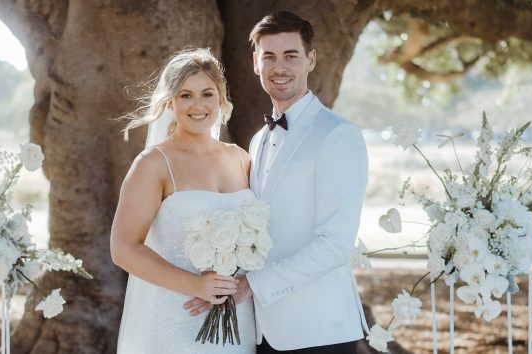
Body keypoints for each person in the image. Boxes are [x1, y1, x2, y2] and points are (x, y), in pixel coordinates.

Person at [184, 11, 369, 354]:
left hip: (320, 332)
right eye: (269, 56)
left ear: (310, 59)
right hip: (262, 332)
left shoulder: (338, 135)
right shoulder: (257, 141)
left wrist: (251, 285)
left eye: (291, 55)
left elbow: (335, 244)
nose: (279, 67)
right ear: (256, 63)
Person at [110, 48, 256, 354]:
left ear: (221, 99)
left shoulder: (239, 158)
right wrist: (196, 285)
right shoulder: (154, 163)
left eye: (207, 93)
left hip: (236, 320)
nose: (198, 105)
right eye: (186, 95)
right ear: (170, 102)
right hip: (174, 315)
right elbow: (123, 248)